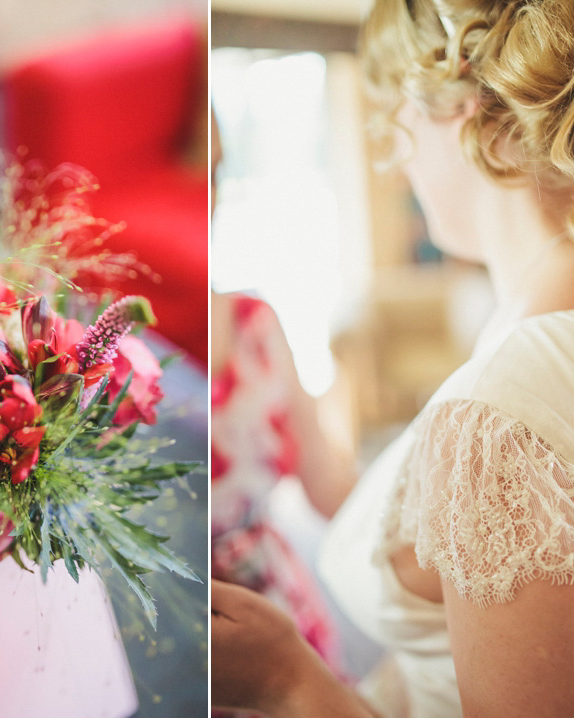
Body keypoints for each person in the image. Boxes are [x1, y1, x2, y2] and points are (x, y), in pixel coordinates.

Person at [212, 0, 574, 715]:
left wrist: (290, 680)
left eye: (397, 113)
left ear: (463, 108)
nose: (397, 157)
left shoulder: (503, 428)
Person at [211, 111, 357, 680]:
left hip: (276, 614)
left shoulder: (259, 324)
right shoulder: (119, 329)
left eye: (219, 173)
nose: (212, 197)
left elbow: (327, 483)